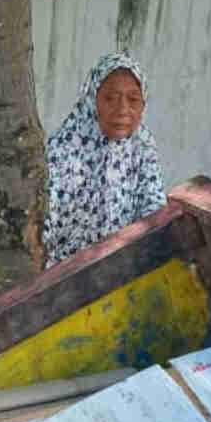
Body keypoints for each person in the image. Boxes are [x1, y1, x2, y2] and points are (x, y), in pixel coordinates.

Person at [39, 52, 166, 269]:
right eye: (110, 98)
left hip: (123, 269)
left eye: (133, 99)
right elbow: (44, 234)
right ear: (92, 100)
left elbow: (154, 210)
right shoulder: (62, 149)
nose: (123, 110)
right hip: (63, 277)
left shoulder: (142, 147)